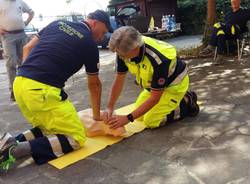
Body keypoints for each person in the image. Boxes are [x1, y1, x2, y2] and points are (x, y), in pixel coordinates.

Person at [0, 9, 112, 171]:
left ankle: (8, 142)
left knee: (48, 129)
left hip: (20, 83)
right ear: (95, 23)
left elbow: (27, 47)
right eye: (103, 32)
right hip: (42, 90)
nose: (102, 37)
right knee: (76, 138)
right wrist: (96, 116)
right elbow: (94, 85)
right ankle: (14, 150)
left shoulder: (57, 23)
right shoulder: (89, 43)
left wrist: (28, 73)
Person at [103, 26, 199, 130]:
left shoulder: (159, 59)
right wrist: (110, 107)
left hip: (174, 86)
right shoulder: (123, 50)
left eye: (122, 55)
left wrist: (127, 118)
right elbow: (119, 80)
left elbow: (154, 98)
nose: (120, 57)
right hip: (153, 86)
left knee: (151, 121)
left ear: (135, 48)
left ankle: (187, 101)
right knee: (139, 117)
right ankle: (174, 103)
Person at [0, 0, 34, 101]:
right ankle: (14, 91)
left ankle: (25, 89)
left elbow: (31, 12)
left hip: (22, 34)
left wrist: (25, 23)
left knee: (25, 62)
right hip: (7, 36)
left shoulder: (20, 2)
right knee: (11, 63)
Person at [200, 0, 250, 65]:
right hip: (228, 32)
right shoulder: (228, 13)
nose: (234, 3)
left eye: (236, 1)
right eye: (233, 2)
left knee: (218, 24)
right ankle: (220, 58)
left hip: (237, 32)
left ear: (239, 2)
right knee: (220, 33)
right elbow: (226, 24)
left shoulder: (245, 11)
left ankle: (211, 46)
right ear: (231, 3)